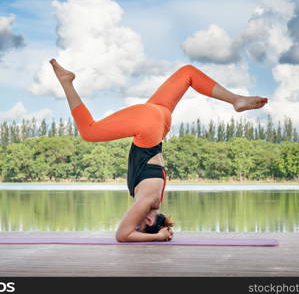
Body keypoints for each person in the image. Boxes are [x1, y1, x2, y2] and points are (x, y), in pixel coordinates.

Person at [49, 59, 267, 242]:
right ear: (149, 221)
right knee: (89, 132)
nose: (135, 222)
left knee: (187, 73)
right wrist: (158, 237)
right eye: (140, 226)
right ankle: (66, 82)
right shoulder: (146, 202)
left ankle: (236, 99)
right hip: (149, 125)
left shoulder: (154, 196)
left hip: (160, 118)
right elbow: (122, 235)